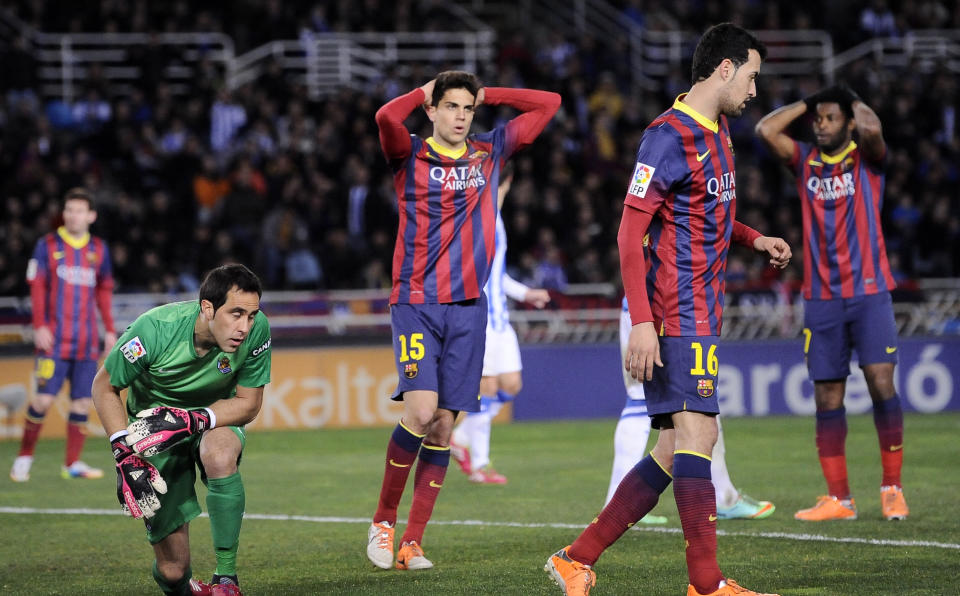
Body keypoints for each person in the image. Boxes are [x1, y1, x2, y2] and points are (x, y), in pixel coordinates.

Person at [545, 23, 790, 596]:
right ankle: (706, 584)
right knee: (698, 435)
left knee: (673, 447)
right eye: (752, 76)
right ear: (724, 69)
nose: (755, 90)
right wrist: (641, 322)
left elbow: (712, 215)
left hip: (703, 313)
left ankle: (575, 559)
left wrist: (755, 240)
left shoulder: (720, 131)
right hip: (675, 311)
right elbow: (630, 236)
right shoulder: (667, 137)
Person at [367, 71, 560, 571]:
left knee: (444, 428)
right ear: (432, 110)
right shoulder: (408, 153)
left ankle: (413, 541)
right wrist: (422, 90)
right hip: (416, 302)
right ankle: (384, 522)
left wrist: (489, 93)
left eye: (467, 109)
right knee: (420, 410)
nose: (459, 116)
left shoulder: (488, 151)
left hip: (470, 308)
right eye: (450, 106)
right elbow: (386, 116)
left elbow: (548, 103)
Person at [755, 84, 907, 522]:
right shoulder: (805, 162)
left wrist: (852, 97)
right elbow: (766, 129)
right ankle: (839, 499)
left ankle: (892, 489)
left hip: (870, 292)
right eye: (818, 119)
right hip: (821, 298)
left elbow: (875, 128)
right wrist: (809, 102)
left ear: (849, 123)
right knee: (826, 396)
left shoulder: (867, 159)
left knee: (881, 384)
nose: (821, 125)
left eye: (830, 118)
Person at [91, 264, 271, 596]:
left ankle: (226, 579)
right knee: (173, 572)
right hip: (153, 433)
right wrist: (123, 453)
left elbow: (248, 403)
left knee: (219, 455)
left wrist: (192, 419)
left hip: (213, 417)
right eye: (235, 314)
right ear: (207, 308)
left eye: (251, 315)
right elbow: (104, 387)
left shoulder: (257, 330)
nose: (245, 326)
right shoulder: (155, 330)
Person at [606, 298, 775, 522]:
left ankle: (722, 494)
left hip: (647, 307)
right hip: (671, 308)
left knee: (688, 398)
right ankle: (622, 503)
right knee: (693, 397)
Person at [449, 163, 551, 485]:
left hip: (501, 322)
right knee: (487, 389)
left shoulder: (495, 219)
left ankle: (461, 437)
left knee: (511, 386)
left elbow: (497, 276)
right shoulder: (476, 219)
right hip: (482, 320)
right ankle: (479, 465)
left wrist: (525, 293)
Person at [11, 188, 117, 482]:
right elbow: (37, 286)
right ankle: (24, 457)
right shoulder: (47, 245)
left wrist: (109, 329)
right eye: (69, 210)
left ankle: (71, 464)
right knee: (43, 400)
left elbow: (104, 293)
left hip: (85, 342)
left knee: (82, 402)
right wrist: (40, 325)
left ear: (91, 216)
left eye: (79, 210)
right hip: (54, 340)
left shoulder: (99, 249)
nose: (73, 215)